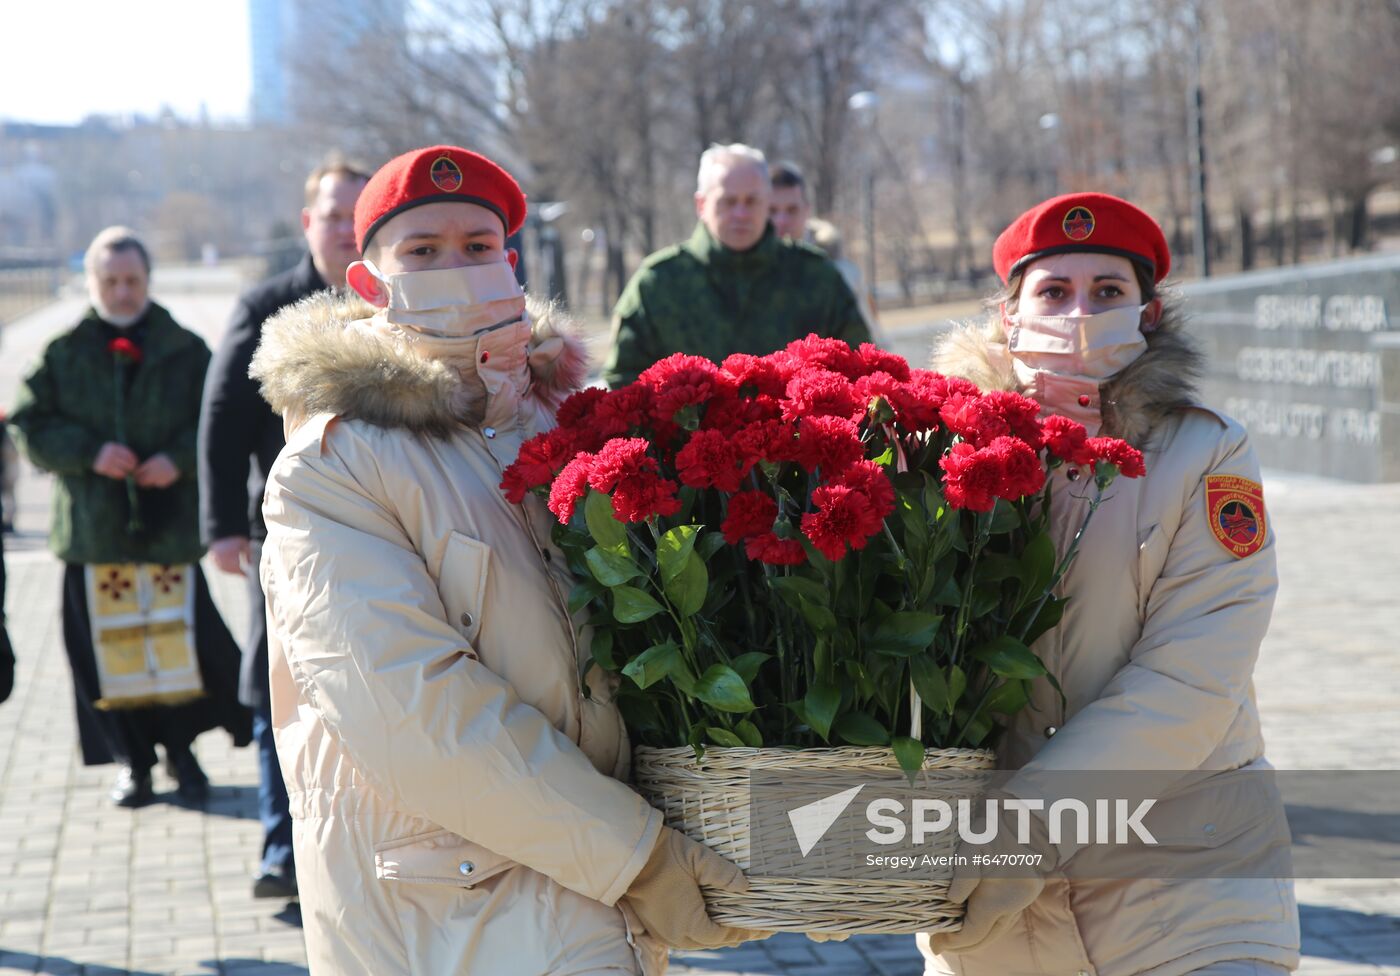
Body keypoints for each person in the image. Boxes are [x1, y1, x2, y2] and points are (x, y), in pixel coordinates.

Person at [250, 145, 760, 974]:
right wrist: (637, 857)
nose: (456, 267)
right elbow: (412, 708)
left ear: (511, 265)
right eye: (422, 251)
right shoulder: (330, 467)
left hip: (593, 900)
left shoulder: (564, 432)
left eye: (477, 247)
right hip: (447, 914)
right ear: (369, 284)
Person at [918, 192, 1299, 975]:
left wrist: (1019, 827)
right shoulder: (929, 452)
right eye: (1054, 292)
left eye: (1109, 293)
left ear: (1149, 313)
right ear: (1009, 314)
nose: (1080, 313)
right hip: (1001, 920)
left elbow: (1192, 677)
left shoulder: (1208, 453)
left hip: (1191, 883)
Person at [7, 227, 250, 807]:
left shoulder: (185, 348)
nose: (122, 292)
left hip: (169, 533)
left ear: (148, 280)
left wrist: (177, 459)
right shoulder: (64, 351)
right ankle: (132, 762)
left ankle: (184, 757)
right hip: (94, 534)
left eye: (132, 280)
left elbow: (219, 424)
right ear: (92, 281)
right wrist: (89, 452)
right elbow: (27, 424)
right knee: (105, 660)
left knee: (182, 648)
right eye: (110, 281)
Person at [198, 154, 368, 900]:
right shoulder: (267, 305)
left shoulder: (396, 304)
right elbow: (223, 419)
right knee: (281, 687)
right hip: (289, 538)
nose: (344, 230)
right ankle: (281, 850)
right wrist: (221, 527)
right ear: (309, 224)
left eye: (358, 217)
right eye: (332, 215)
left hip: (381, 535)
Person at [603, 143, 871, 387]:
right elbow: (624, 384)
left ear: (767, 202)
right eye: (728, 202)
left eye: (751, 201)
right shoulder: (657, 284)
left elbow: (860, 369)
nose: (741, 213)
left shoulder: (816, 276)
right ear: (701, 204)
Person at [769, 160, 881, 340]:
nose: (781, 220)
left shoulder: (843, 273)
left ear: (807, 210)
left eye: (792, 210)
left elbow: (872, 340)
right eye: (772, 211)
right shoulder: (749, 272)